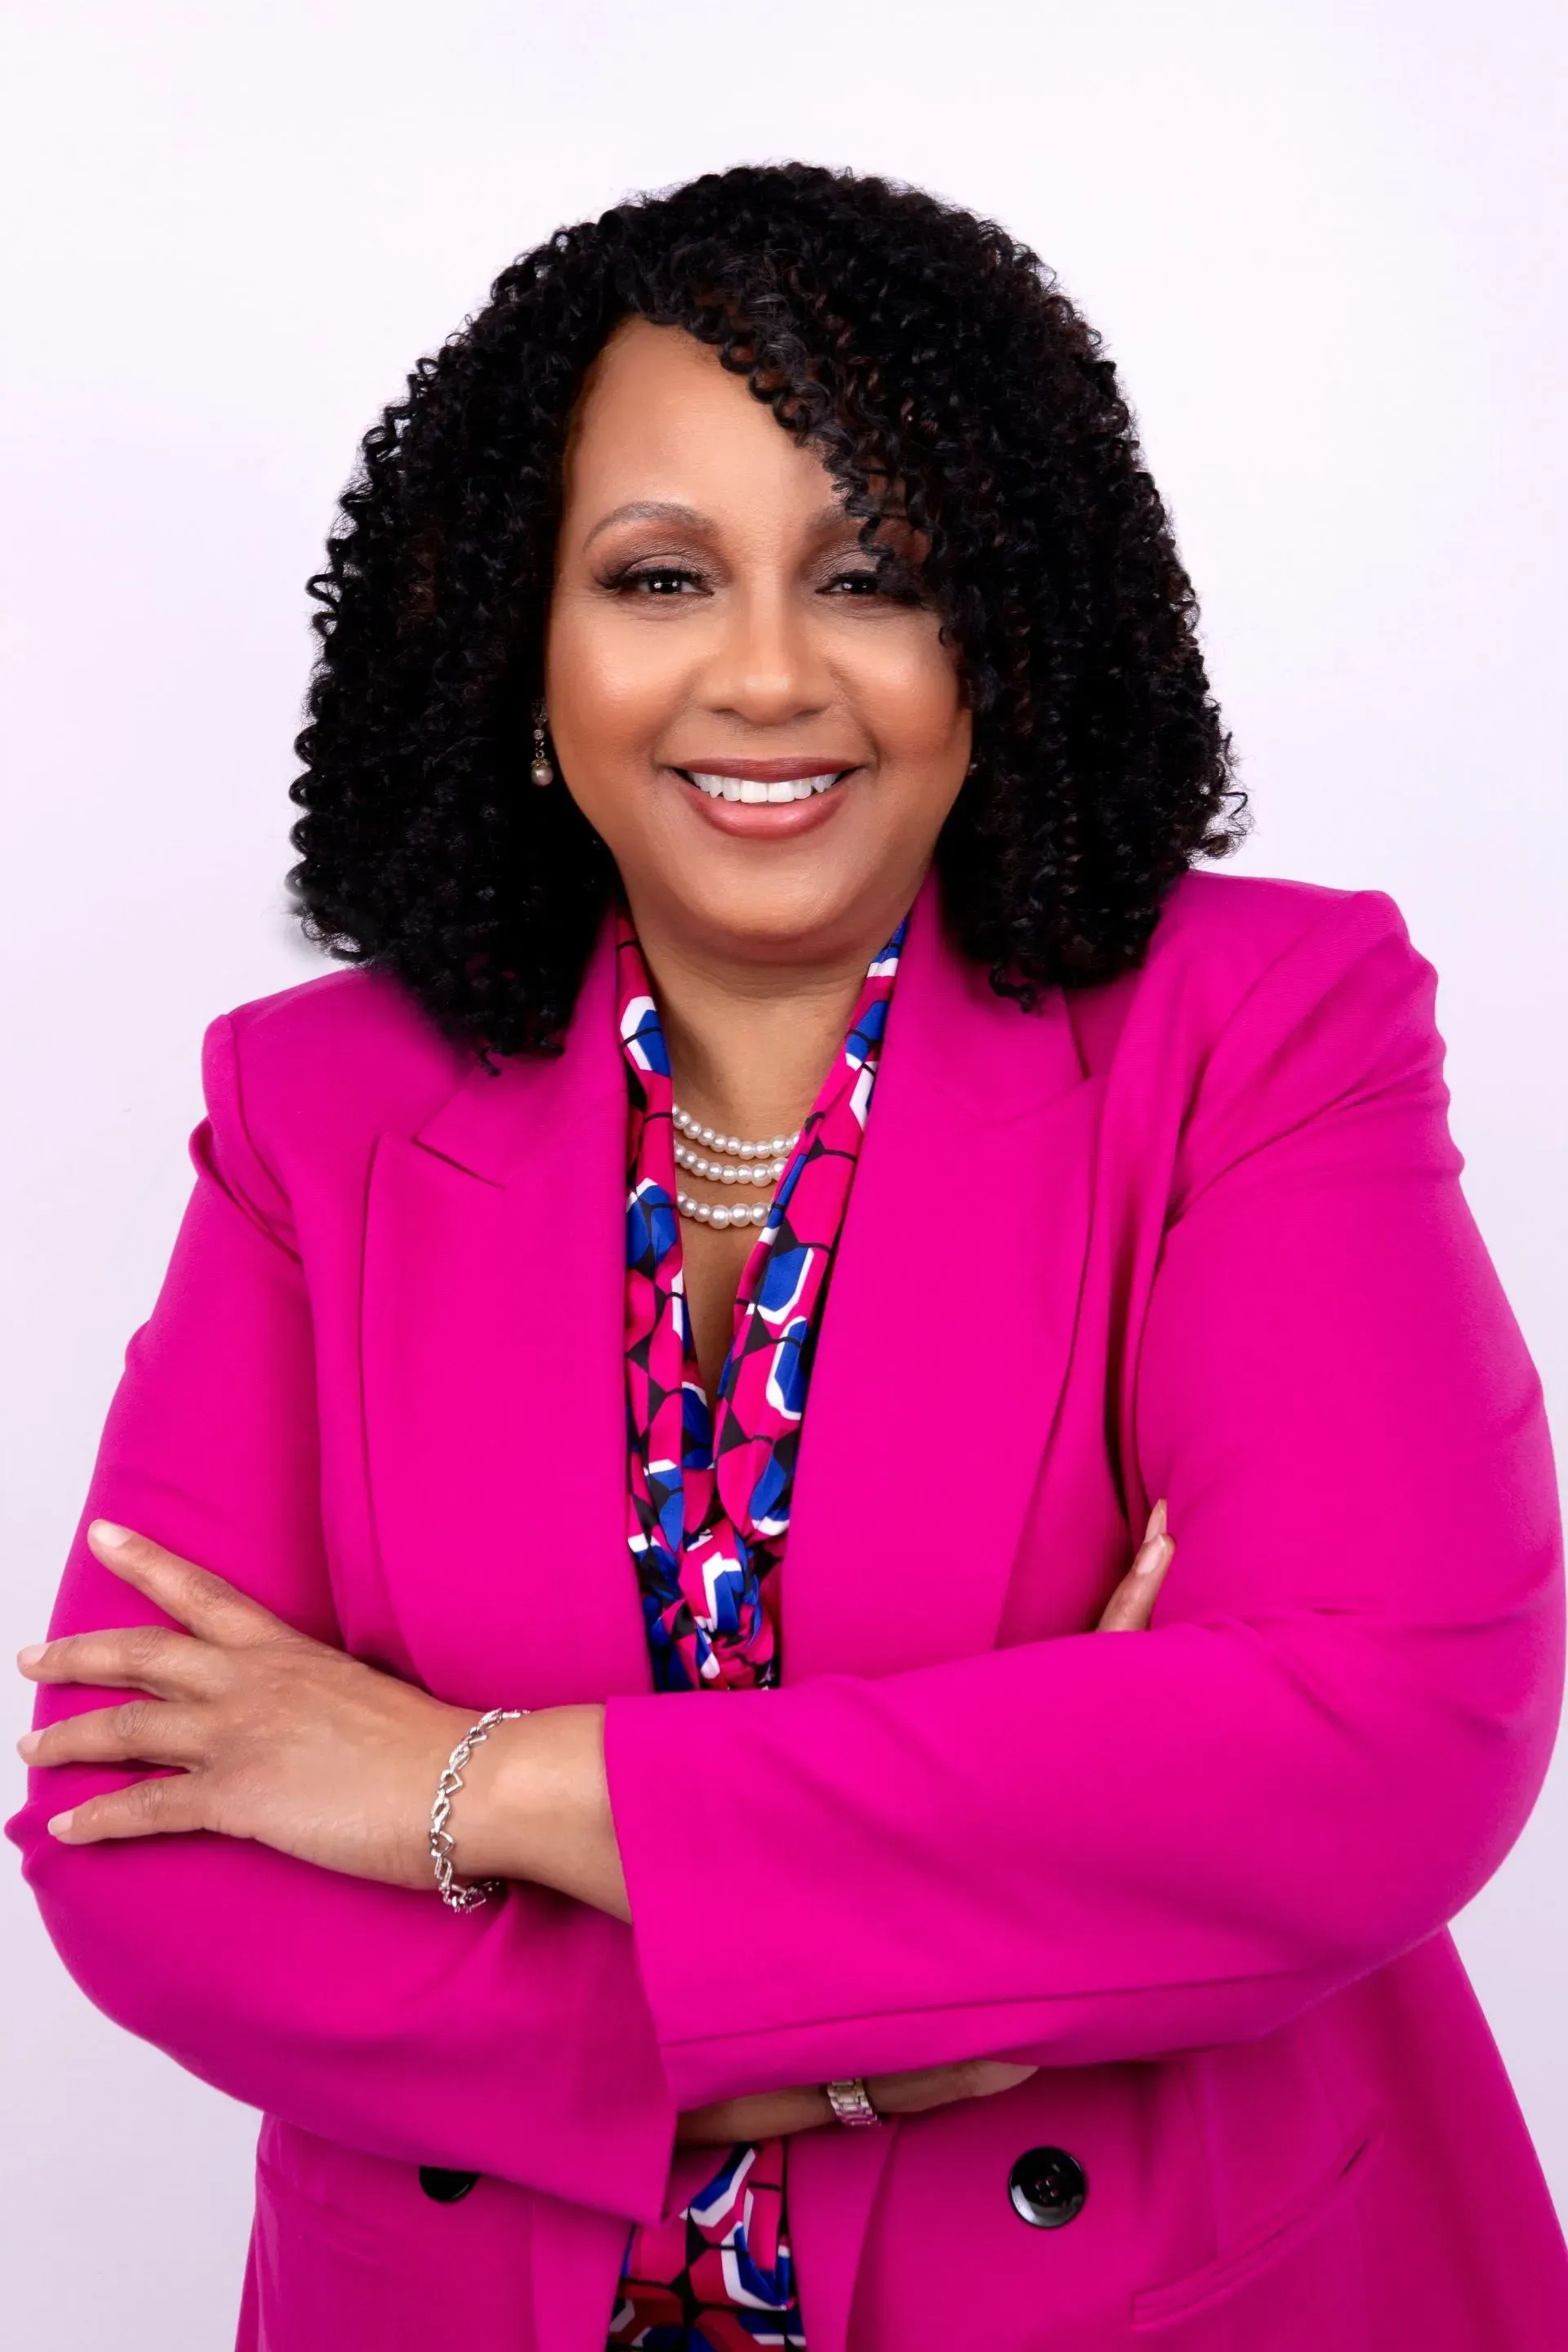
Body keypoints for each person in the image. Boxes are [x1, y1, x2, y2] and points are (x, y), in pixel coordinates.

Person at [8, 162, 1566, 2352]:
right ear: (523, 654)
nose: (763, 673)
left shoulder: (1263, 1035)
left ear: (1001, 642)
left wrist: (462, 1787)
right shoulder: (315, 1112)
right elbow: (142, 1840)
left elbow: (1377, 1736)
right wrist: (838, 2019)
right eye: (659, 577)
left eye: (874, 575)